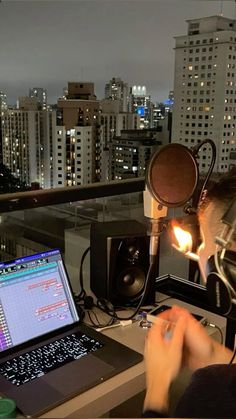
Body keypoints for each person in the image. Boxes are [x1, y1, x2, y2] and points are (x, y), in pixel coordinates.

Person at [143, 168, 236, 418]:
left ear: (228, 271)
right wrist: (213, 354)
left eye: (205, 242)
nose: (199, 252)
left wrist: (158, 386)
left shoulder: (213, 393)